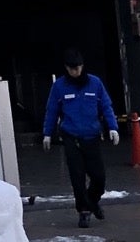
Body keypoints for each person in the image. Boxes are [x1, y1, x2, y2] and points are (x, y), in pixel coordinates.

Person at [42, 49, 119, 227]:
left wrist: (113, 127)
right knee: (77, 177)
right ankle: (84, 211)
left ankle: (92, 201)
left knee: (99, 177)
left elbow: (106, 106)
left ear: (82, 66)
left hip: (91, 136)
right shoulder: (59, 86)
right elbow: (52, 110)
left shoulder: (95, 83)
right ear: (66, 68)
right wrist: (47, 133)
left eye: (77, 68)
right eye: (71, 69)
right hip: (71, 137)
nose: (75, 72)